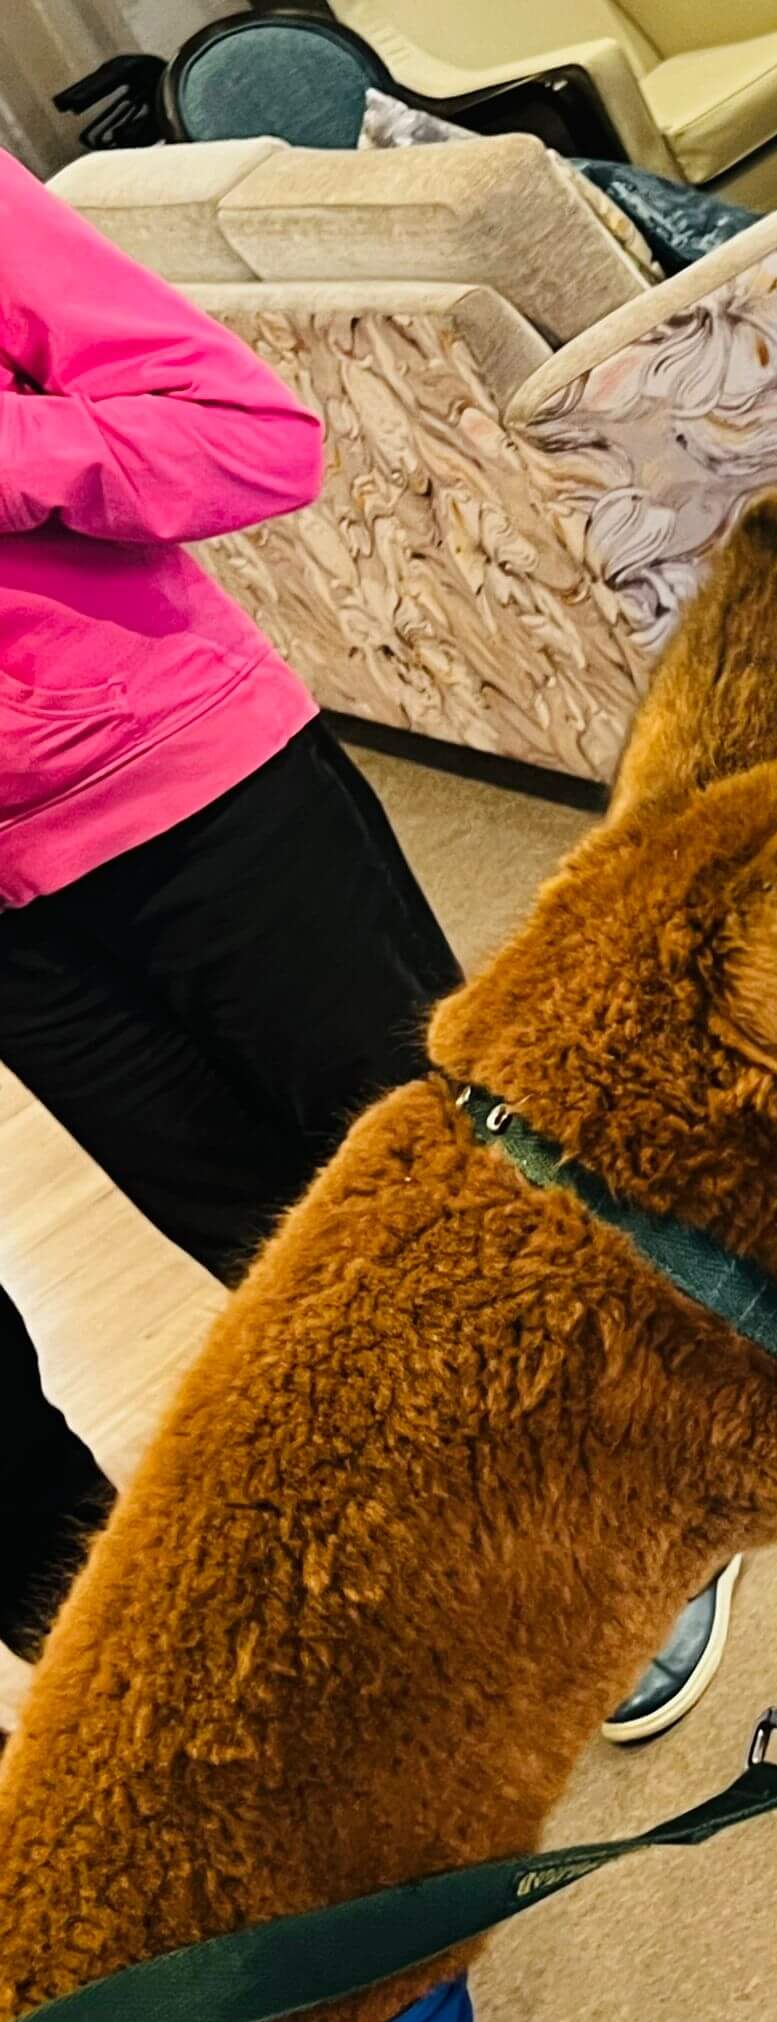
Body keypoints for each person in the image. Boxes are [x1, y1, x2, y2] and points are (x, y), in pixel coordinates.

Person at [0, 150, 463, 1670]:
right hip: (17, 929)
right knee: (273, 1252)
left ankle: (662, 1486)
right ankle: (498, 1533)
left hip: (195, 784)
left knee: (445, 1190)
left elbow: (257, 440)